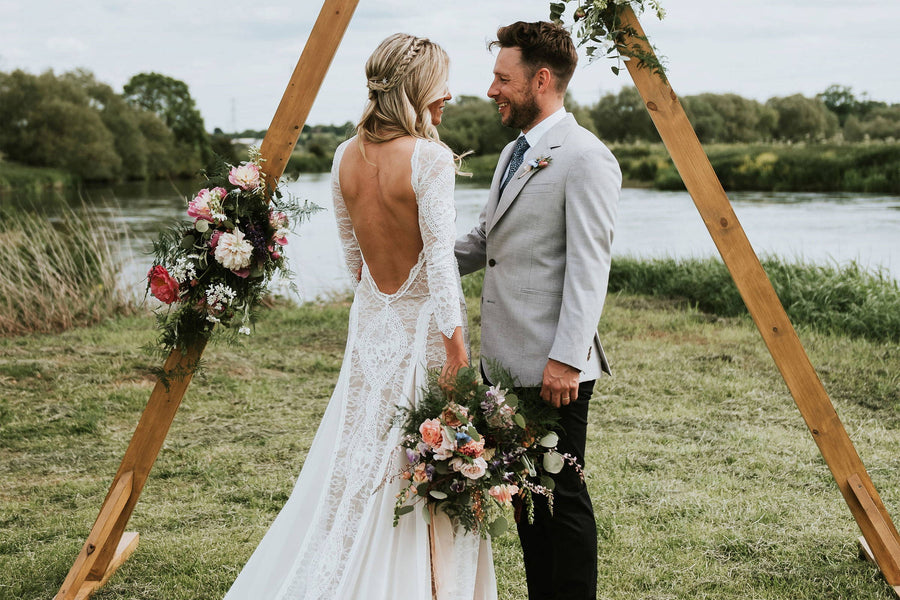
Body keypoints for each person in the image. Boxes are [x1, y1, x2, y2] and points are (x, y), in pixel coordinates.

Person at [224, 33, 497, 600]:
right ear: (417, 87)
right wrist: (456, 351)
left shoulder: (343, 156)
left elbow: (354, 260)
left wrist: (381, 307)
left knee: (363, 458)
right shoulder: (430, 159)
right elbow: (441, 267)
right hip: (424, 332)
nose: (449, 95)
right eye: (441, 84)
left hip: (372, 326)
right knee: (427, 459)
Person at [455, 21, 621, 600]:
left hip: (554, 369)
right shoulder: (512, 153)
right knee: (527, 499)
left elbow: (589, 268)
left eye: (503, 79)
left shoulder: (586, 157)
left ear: (541, 79)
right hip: (504, 365)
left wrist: (567, 359)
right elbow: (485, 240)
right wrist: (409, 263)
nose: (492, 89)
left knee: (562, 498)